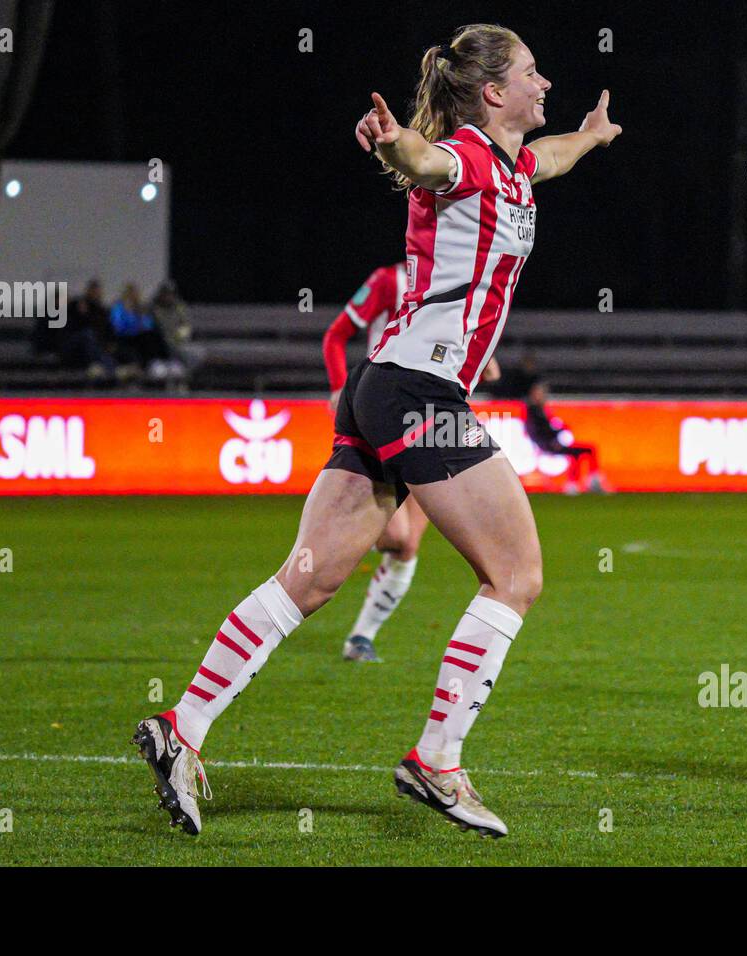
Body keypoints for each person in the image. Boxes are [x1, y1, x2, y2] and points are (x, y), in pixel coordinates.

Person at [134, 22, 621, 838]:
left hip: (380, 387)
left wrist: (594, 138)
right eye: (533, 73)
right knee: (517, 573)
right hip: (420, 391)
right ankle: (438, 759)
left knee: (311, 577)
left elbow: (555, 156)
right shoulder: (464, 157)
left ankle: (181, 727)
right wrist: (396, 144)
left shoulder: (517, 163)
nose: (547, 85)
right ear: (494, 92)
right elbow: (424, 164)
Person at [323, 262, 499, 663]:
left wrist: (483, 361)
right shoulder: (390, 281)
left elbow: (474, 352)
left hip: (432, 414)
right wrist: (338, 388)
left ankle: (361, 637)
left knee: (407, 543)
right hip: (382, 410)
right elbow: (336, 335)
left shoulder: (467, 287)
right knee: (393, 538)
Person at [524, 377, 605, 494]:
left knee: (578, 453)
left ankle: (574, 484)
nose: (542, 395)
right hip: (548, 445)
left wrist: (561, 429)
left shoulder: (540, 410)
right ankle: (590, 481)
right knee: (588, 450)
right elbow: (537, 431)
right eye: (540, 392)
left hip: (550, 443)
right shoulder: (533, 411)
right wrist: (550, 441)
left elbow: (549, 428)